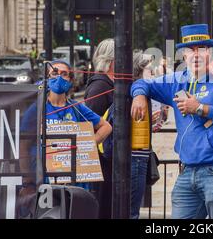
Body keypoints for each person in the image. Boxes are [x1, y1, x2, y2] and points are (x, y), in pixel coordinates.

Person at [131, 24, 213, 219]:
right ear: (183, 56)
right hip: (187, 172)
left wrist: (201, 109)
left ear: (209, 53)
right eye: (189, 50)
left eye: (201, 49)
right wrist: (139, 96)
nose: (196, 54)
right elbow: (141, 83)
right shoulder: (176, 80)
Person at [21, 60, 112, 190]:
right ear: (47, 78)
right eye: (54, 73)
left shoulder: (76, 107)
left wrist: (86, 145)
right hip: (43, 176)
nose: (59, 77)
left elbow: (106, 127)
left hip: (73, 175)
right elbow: (23, 145)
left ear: (70, 80)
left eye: (64, 74)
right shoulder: (37, 108)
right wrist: (27, 180)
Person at [105, 52, 161, 219]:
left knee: (130, 209)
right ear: (139, 71)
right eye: (149, 70)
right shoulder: (132, 94)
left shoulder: (137, 92)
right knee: (131, 211)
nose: (152, 74)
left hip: (136, 155)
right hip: (135, 156)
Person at [84, 38, 115, 218]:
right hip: (101, 163)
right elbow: (88, 125)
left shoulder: (109, 85)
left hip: (109, 162)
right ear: (112, 61)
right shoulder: (99, 87)